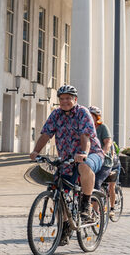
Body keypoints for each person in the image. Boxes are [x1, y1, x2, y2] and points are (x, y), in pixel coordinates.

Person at [30, 85, 104, 229]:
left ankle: (86, 204)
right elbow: (46, 134)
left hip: (92, 153)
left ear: (75, 99)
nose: (64, 101)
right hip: (67, 160)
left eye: (68, 98)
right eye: (62, 99)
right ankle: (64, 229)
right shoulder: (56, 114)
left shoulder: (83, 113)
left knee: (84, 165)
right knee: (59, 192)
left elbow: (85, 136)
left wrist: (84, 153)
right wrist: (36, 152)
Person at [88, 106, 119, 218]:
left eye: (92, 116)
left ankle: (96, 212)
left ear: (97, 118)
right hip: (90, 161)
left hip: (105, 162)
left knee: (96, 182)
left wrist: (103, 152)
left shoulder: (102, 128)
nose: (89, 118)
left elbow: (108, 142)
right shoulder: (86, 128)